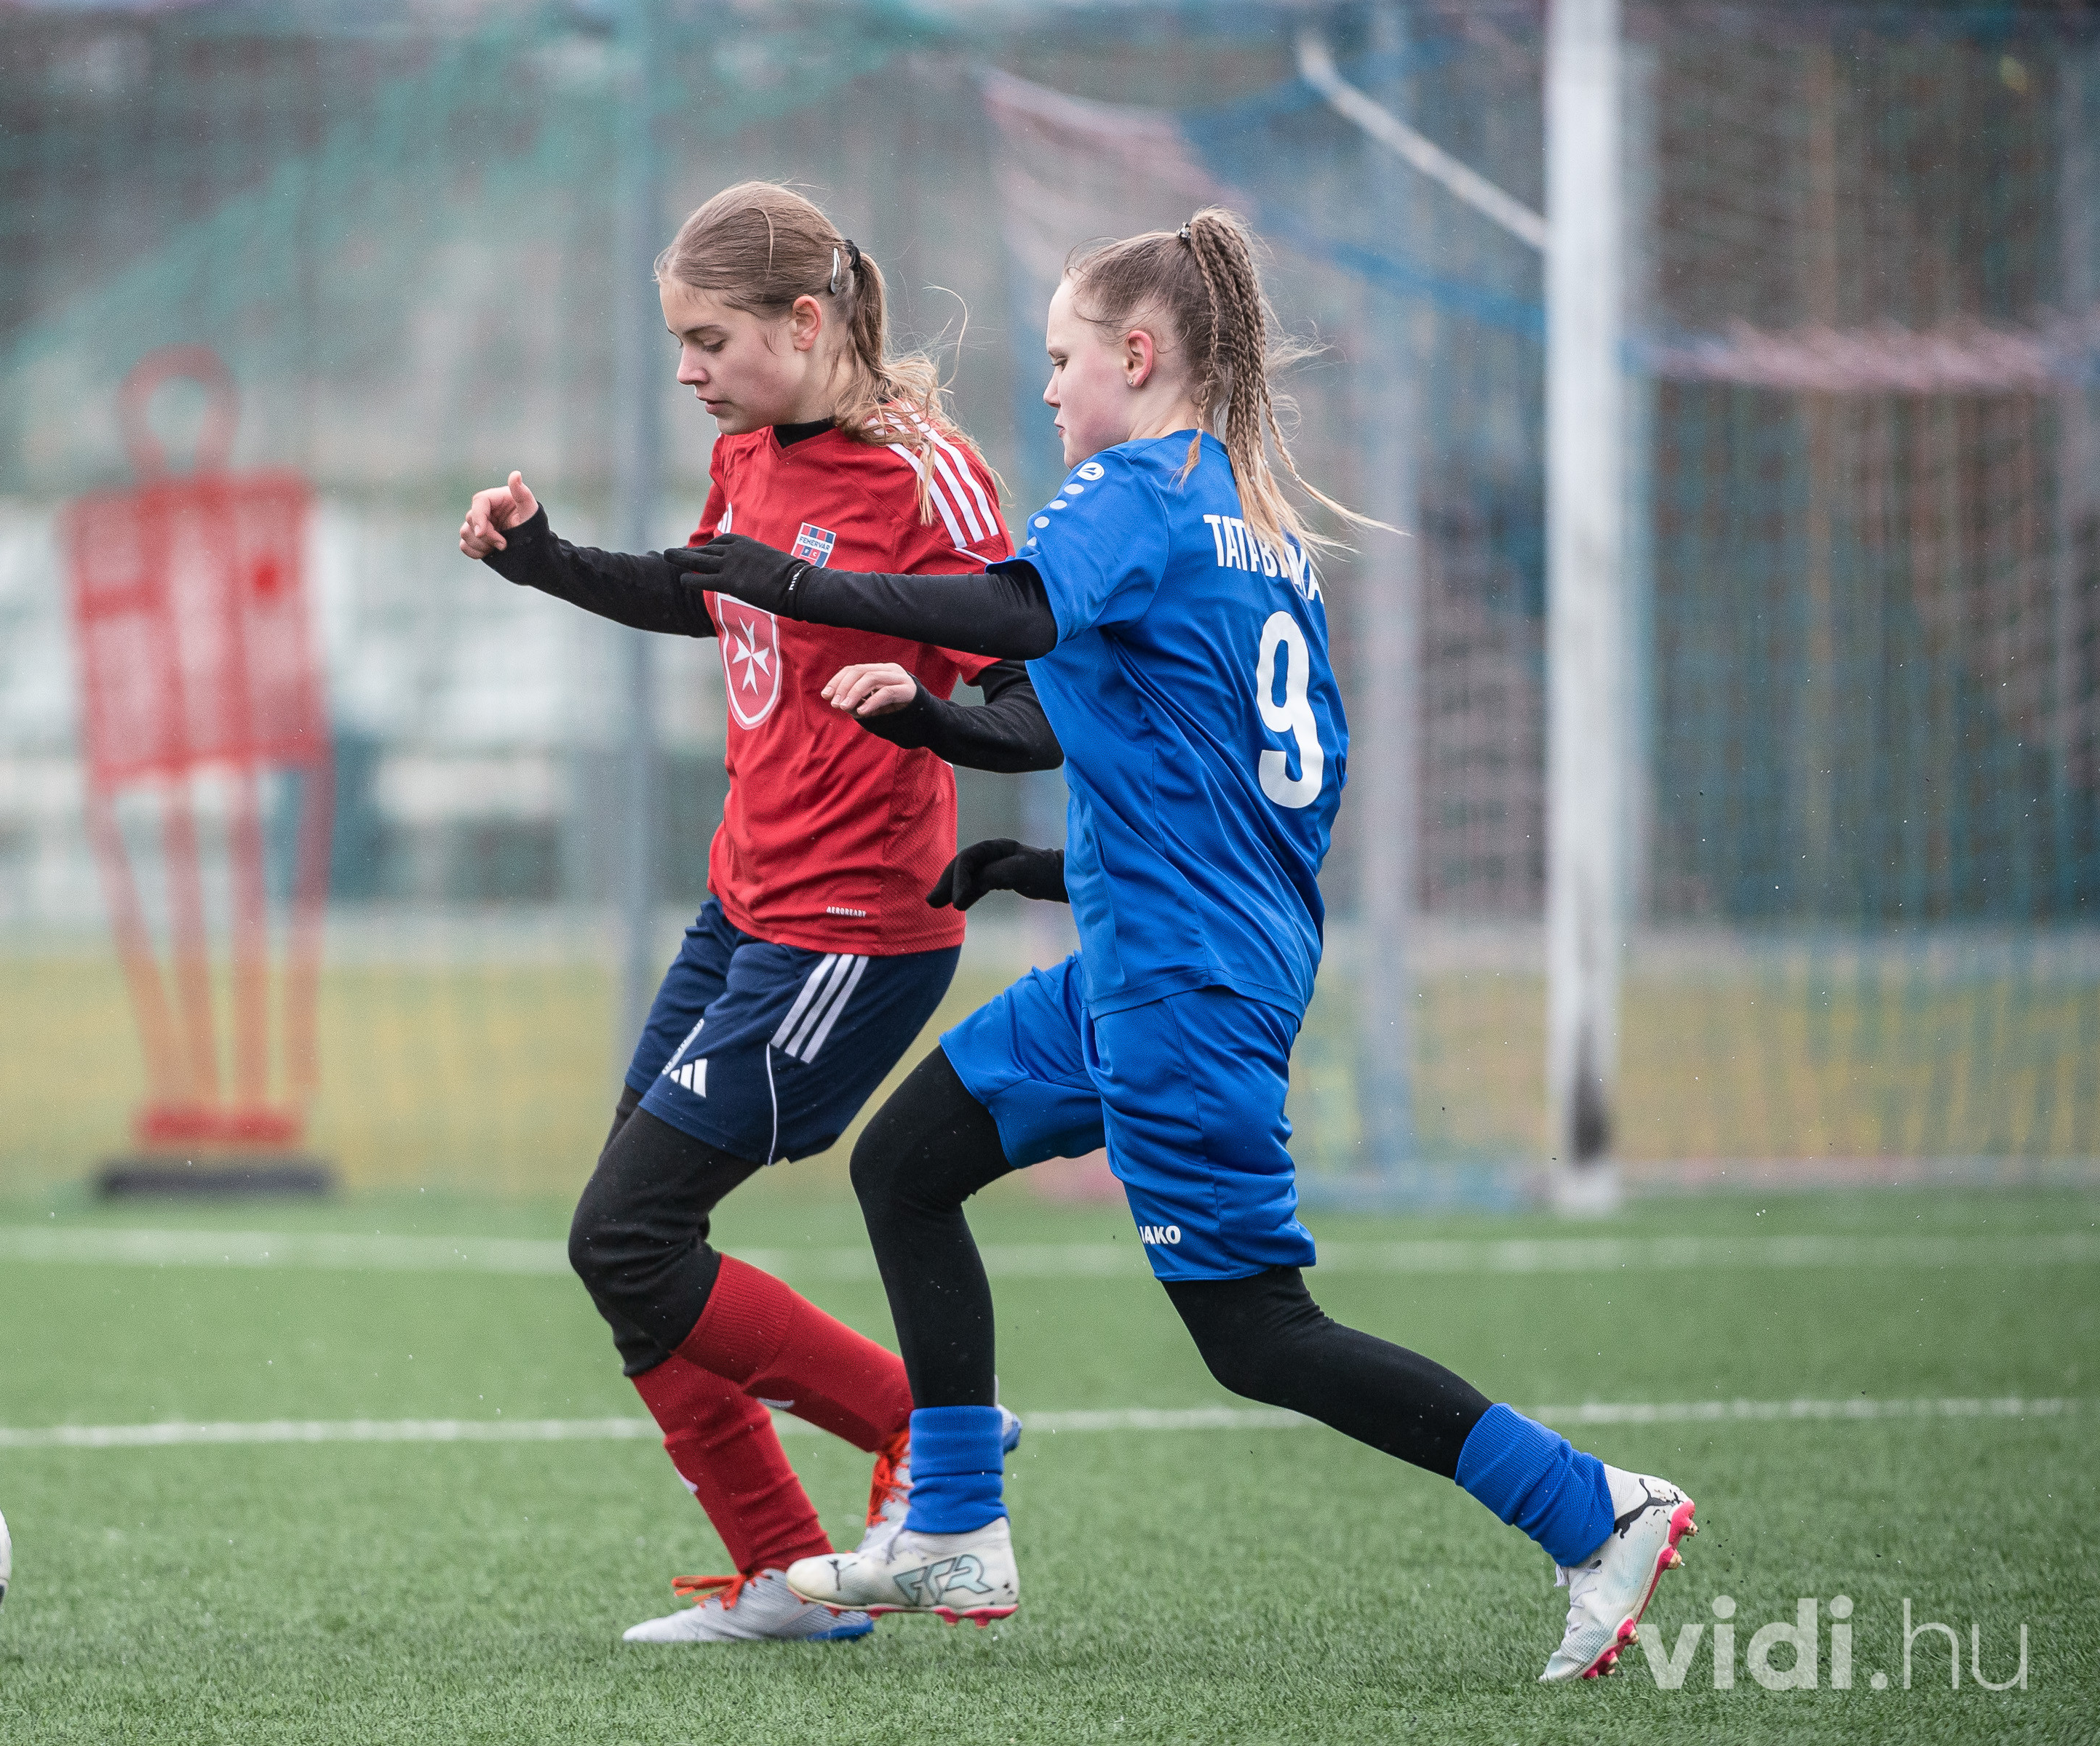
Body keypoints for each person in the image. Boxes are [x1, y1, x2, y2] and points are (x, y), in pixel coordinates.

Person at [664, 206, 1696, 1680]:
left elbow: (1014, 611)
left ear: (1138, 357)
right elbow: (1254, 786)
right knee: (907, 1165)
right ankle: (953, 1521)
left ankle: (1591, 1509)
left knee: (1256, 1332)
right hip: (1161, 958)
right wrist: (1049, 864)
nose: (1047, 390)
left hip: (1180, 986)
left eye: (1061, 360)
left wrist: (795, 582)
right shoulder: (1254, 529)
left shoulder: (1133, 489)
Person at [456, 182, 1050, 1644]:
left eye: (707, 339)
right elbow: (709, 592)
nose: (686, 369)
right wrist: (545, 559)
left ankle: (926, 1429)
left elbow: (1034, 696)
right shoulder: (747, 450)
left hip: (851, 934)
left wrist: (924, 716)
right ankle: (786, 1574)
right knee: (626, 1252)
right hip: (743, 910)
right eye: (679, 341)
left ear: (803, 320)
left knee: (627, 1238)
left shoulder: (926, 474)